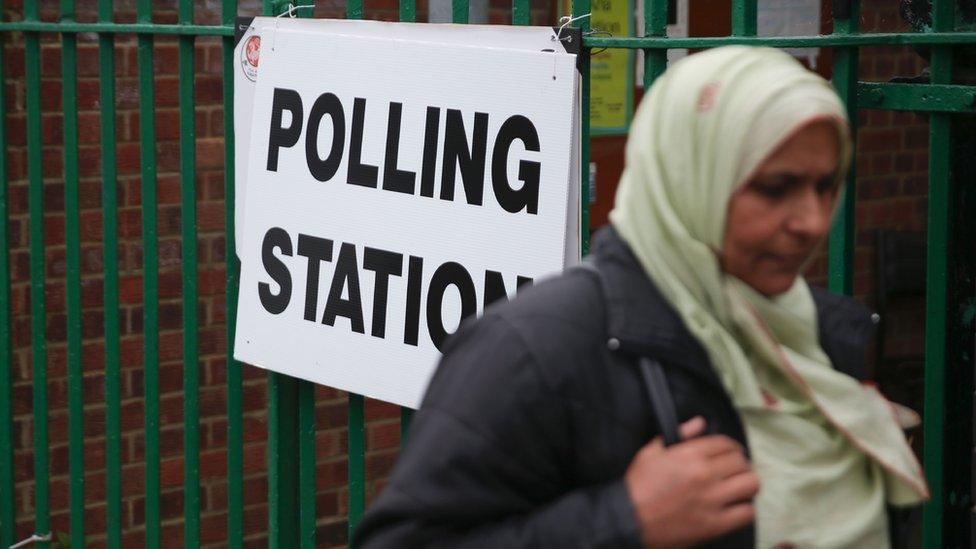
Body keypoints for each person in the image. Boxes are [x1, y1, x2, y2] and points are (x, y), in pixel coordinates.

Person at [354, 46, 928, 548]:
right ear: (688, 175)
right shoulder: (535, 347)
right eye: (774, 187)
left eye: (826, 185)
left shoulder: (814, 338)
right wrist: (623, 520)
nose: (810, 220)